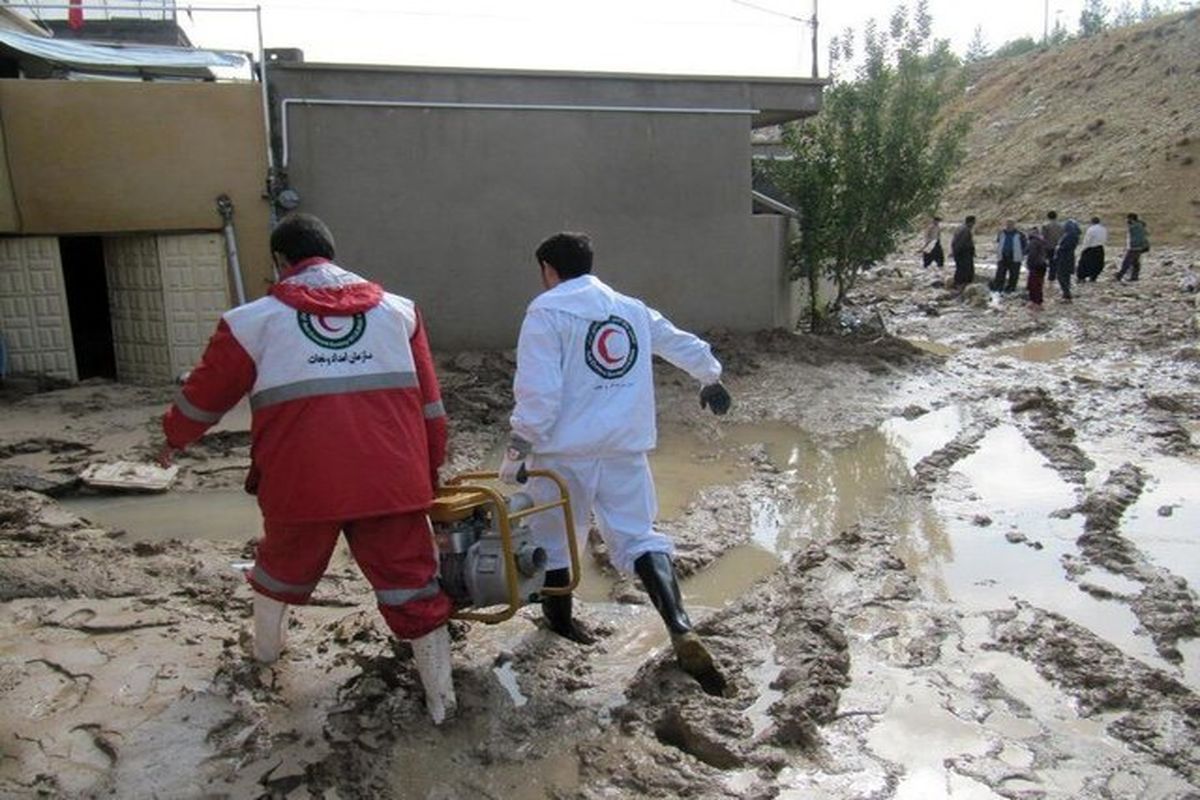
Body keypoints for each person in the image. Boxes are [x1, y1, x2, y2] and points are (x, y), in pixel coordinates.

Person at [158, 213, 457, 724]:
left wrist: (171, 440)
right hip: (390, 481)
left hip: (302, 486)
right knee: (414, 590)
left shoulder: (250, 322)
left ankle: (267, 660)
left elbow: (202, 398)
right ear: (331, 253)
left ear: (280, 263)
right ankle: (442, 705)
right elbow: (431, 408)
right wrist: (425, 477)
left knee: (277, 574)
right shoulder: (400, 313)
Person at [499, 232, 732, 696]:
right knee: (639, 535)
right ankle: (680, 623)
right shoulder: (629, 307)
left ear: (547, 268)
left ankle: (562, 626)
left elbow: (539, 394)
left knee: (557, 540)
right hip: (625, 447)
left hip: (565, 453)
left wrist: (518, 451)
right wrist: (710, 377)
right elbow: (678, 342)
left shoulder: (546, 311)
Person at [991, 219, 1027, 293]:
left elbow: (1025, 245)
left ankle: (1011, 288)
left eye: (1011, 224)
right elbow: (998, 242)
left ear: (1014, 225)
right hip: (1003, 256)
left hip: (1015, 257)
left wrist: (1022, 254)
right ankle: (998, 288)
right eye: (1007, 224)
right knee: (1000, 273)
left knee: (1014, 274)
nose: (1009, 226)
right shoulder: (1001, 233)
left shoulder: (1020, 234)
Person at [1053, 217, 1081, 303]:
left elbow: (1065, 247)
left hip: (1064, 258)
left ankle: (1067, 294)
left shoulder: (1069, 236)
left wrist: (1058, 248)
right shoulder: (1074, 235)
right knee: (1066, 276)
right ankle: (1066, 294)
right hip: (1069, 257)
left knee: (1061, 275)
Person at [1116, 213, 1150, 282]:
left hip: (1134, 247)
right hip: (1139, 247)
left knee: (1127, 262)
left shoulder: (1134, 227)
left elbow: (1136, 236)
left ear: (1131, 219)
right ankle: (1134, 276)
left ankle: (1119, 276)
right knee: (1135, 262)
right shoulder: (1140, 226)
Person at [1024, 227, 1050, 310]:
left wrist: (1029, 264)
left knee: (1033, 285)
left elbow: (1031, 254)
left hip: (1035, 265)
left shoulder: (1033, 242)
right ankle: (1037, 302)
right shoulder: (1042, 241)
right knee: (1039, 284)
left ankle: (1036, 303)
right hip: (1042, 265)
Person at [1078, 216, 1107, 282]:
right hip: (1100, 248)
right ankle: (1093, 277)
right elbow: (1105, 238)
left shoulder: (1091, 229)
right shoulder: (1103, 229)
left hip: (1091, 249)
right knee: (1097, 264)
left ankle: (1082, 278)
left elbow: (1087, 240)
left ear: (1092, 222)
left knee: (1084, 264)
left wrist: (1083, 249)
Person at [951, 215, 976, 289]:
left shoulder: (960, 228)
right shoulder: (965, 230)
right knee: (965, 269)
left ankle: (958, 284)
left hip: (959, 252)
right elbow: (962, 243)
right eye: (973, 222)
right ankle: (962, 285)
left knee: (960, 269)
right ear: (971, 222)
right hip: (963, 253)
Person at [1043, 211, 1064, 281]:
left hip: (1049, 246)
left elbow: (1043, 237)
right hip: (1059, 246)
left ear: (1048, 217)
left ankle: (1050, 277)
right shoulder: (1061, 225)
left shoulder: (1046, 226)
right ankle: (1055, 276)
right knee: (1056, 262)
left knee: (1050, 261)